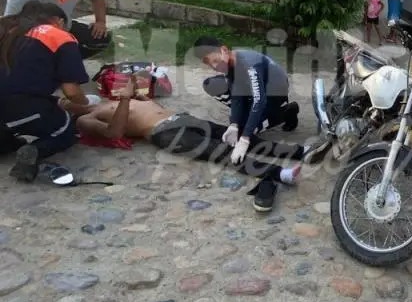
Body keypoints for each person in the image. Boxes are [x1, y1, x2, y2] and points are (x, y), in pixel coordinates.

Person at [67, 80, 307, 212]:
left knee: (241, 137)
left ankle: (299, 152)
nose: (73, 98)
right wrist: (127, 98)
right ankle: (280, 173)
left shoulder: (110, 100)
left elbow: (148, 98)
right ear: (67, 110)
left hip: (183, 118)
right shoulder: (85, 119)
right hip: (163, 132)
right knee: (222, 152)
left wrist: (135, 85)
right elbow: (114, 132)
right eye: (66, 100)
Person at [0, 1, 91, 182]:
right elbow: (71, 91)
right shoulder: (60, 37)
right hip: (20, 106)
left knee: (12, 128)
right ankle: (34, 150)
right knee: (65, 129)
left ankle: (8, 140)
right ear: (58, 21)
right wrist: (86, 103)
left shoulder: (9, 29)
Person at [193, 37, 301, 161]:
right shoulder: (229, 61)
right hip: (254, 88)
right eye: (209, 64)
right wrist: (234, 124)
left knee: (246, 129)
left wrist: (245, 138)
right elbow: (236, 95)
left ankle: (286, 112)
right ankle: (245, 116)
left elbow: (259, 101)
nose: (214, 67)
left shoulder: (249, 64)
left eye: (215, 61)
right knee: (211, 84)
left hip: (274, 94)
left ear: (224, 50)